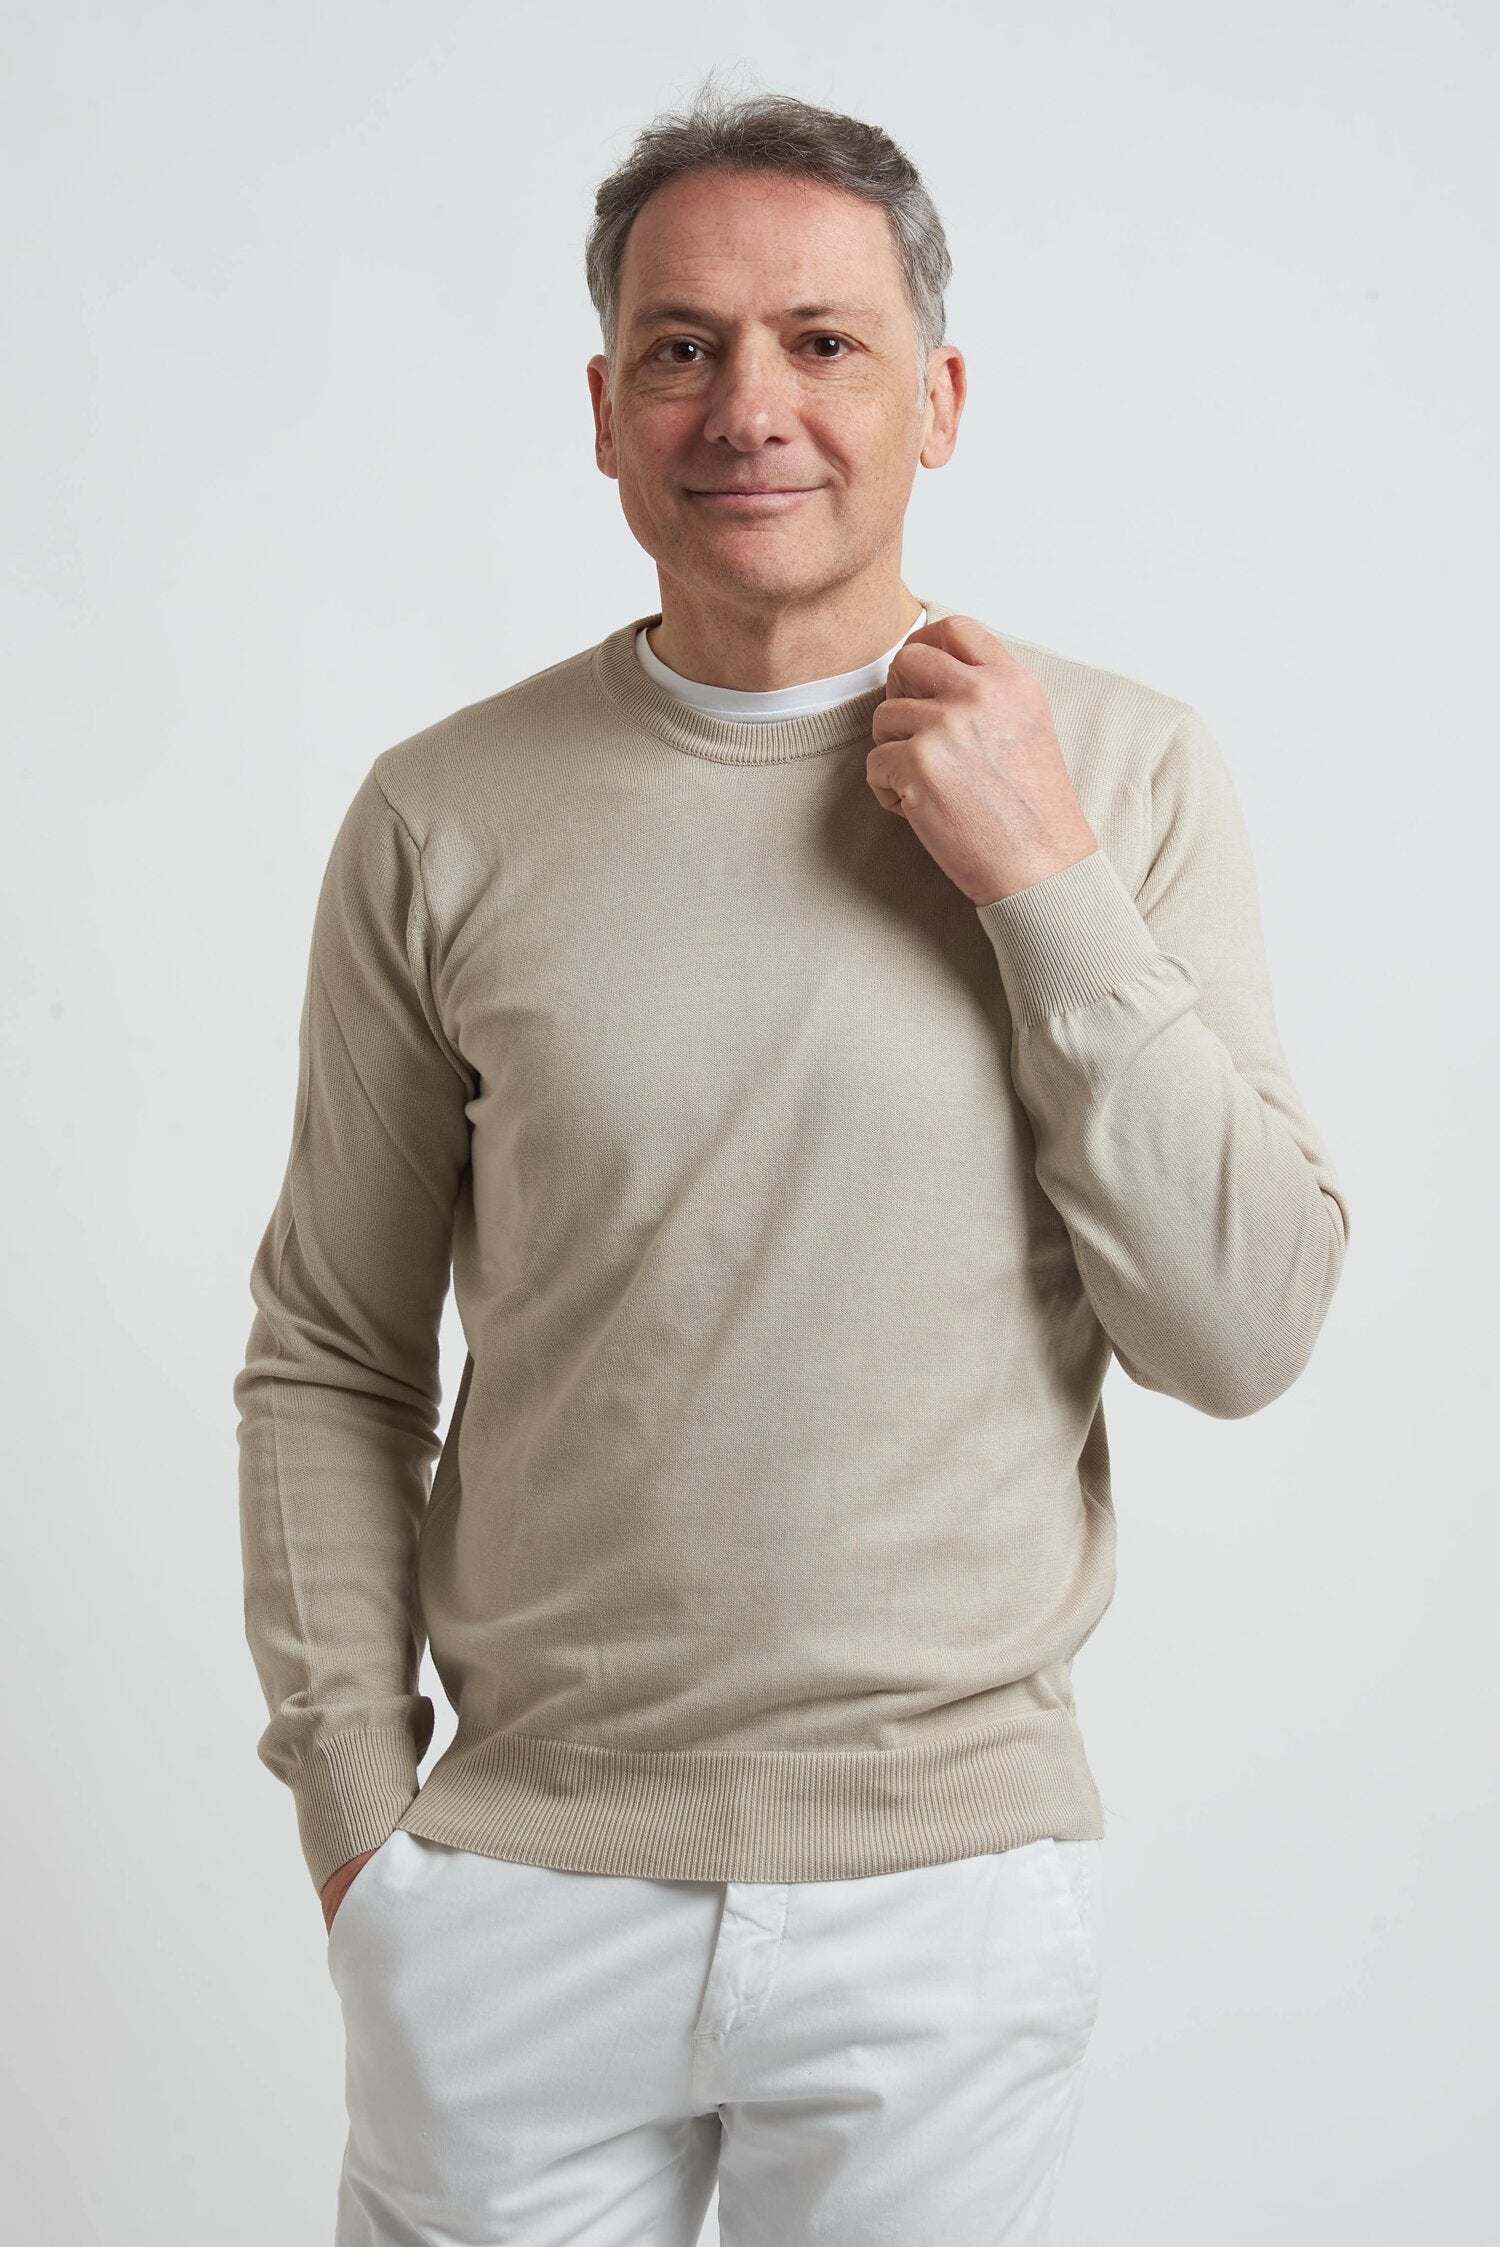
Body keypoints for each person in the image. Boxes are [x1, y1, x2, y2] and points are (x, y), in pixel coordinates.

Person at [233, 77, 1351, 2247]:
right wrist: (363, 1822)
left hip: (946, 1892)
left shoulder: (1122, 772)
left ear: (939, 399)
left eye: (823, 341)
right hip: (518, 1890)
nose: (749, 406)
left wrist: (1043, 879)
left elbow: (1243, 1329)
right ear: (603, 409)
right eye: (683, 346)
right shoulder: (442, 812)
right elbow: (333, 1354)